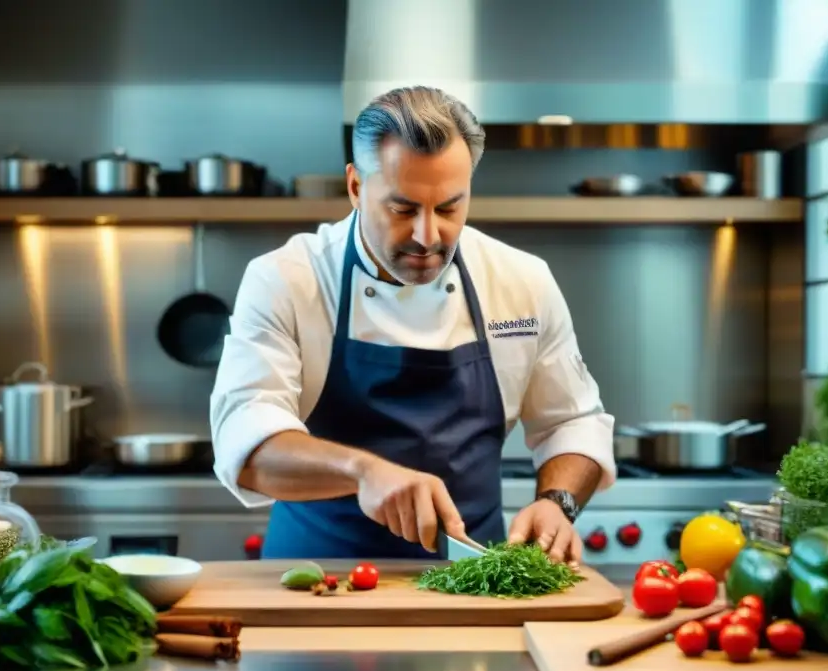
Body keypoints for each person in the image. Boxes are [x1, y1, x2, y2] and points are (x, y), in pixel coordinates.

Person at [209, 85, 615, 565]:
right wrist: (363, 472)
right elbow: (244, 441)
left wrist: (557, 503)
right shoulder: (286, 279)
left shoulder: (521, 280)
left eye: (449, 208)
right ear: (356, 187)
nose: (428, 236)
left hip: (473, 579)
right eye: (402, 209)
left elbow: (572, 421)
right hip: (318, 583)